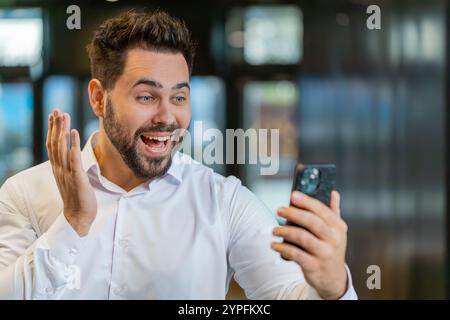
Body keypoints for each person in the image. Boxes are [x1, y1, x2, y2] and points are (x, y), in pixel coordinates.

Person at [0, 10, 357, 300]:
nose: (167, 116)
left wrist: (331, 287)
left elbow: (289, 295)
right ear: (98, 98)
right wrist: (73, 223)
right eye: (146, 97)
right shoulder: (24, 194)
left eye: (179, 97)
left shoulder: (223, 202)